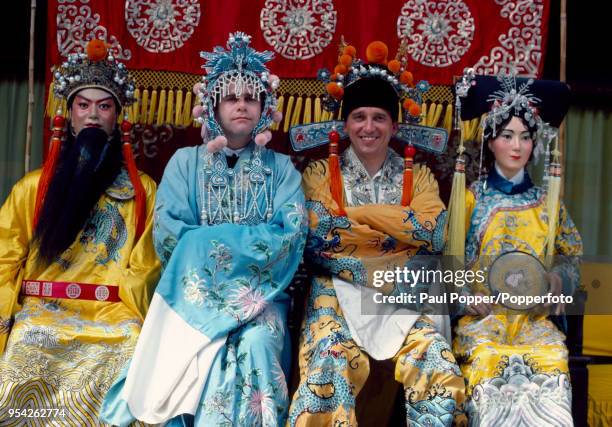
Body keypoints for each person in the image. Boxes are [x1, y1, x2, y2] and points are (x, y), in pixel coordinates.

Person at [100, 32, 307, 426]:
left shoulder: (282, 170)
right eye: (231, 97)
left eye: (251, 97)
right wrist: (235, 246)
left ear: (265, 106)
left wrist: (208, 243)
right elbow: (168, 231)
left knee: (259, 343)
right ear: (213, 105)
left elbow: (291, 235)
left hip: (261, 299)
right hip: (193, 297)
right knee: (202, 350)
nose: (242, 105)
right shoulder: (184, 163)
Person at [286, 40, 466, 426]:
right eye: (360, 117)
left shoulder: (417, 176)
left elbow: (432, 233)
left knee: (436, 360)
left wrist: (353, 216)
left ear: (395, 125)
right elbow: (320, 240)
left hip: (404, 295)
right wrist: (398, 236)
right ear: (345, 123)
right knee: (330, 362)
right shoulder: (318, 174)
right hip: (335, 294)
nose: (369, 127)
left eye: (379, 118)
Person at [0, 39, 160, 424]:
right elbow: (5, 257)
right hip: (40, 314)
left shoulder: (144, 191)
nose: (92, 116)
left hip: (112, 316)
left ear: (117, 118)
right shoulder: (32, 188)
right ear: (69, 115)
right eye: (83, 105)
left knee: (128, 353)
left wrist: (130, 312)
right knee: (24, 351)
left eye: (103, 106)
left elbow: (147, 265)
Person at [448, 73, 582, 425]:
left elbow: (571, 254)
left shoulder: (547, 202)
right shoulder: (470, 198)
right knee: (491, 361)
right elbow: (447, 263)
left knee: (552, 361)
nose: (517, 146)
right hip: (483, 321)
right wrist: (464, 297)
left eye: (525, 137)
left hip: (533, 320)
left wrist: (557, 279)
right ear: (490, 142)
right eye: (507, 136)